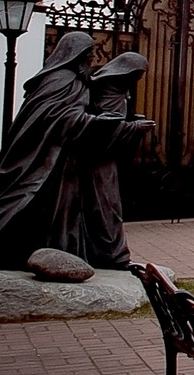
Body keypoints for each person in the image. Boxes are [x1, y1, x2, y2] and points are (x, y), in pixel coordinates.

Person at [0, 30, 97, 267]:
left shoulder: (73, 80)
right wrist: (96, 122)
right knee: (26, 199)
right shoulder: (60, 79)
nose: (93, 59)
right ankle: (1, 247)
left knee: (54, 208)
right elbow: (56, 117)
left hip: (60, 159)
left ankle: (49, 254)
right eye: (89, 54)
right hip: (39, 156)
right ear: (77, 54)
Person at [64, 52, 151, 269]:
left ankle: (110, 252)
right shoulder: (108, 88)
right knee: (105, 206)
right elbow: (102, 129)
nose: (137, 80)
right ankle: (111, 253)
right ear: (126, 71)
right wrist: (133, 127)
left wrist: (131, 121)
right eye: (137, 75)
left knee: (107, 206)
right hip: (99, 163)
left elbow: (112, 120)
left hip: (105, 161)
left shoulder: (117, 88)